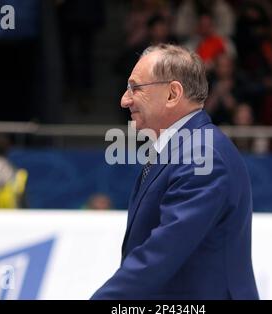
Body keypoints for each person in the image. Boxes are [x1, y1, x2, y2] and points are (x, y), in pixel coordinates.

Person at [91, 44, 258, 300]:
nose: (124, 99)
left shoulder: (203, 155)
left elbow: (161, 254)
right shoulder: (185, 148)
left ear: (172, 94)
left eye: (135, 88)